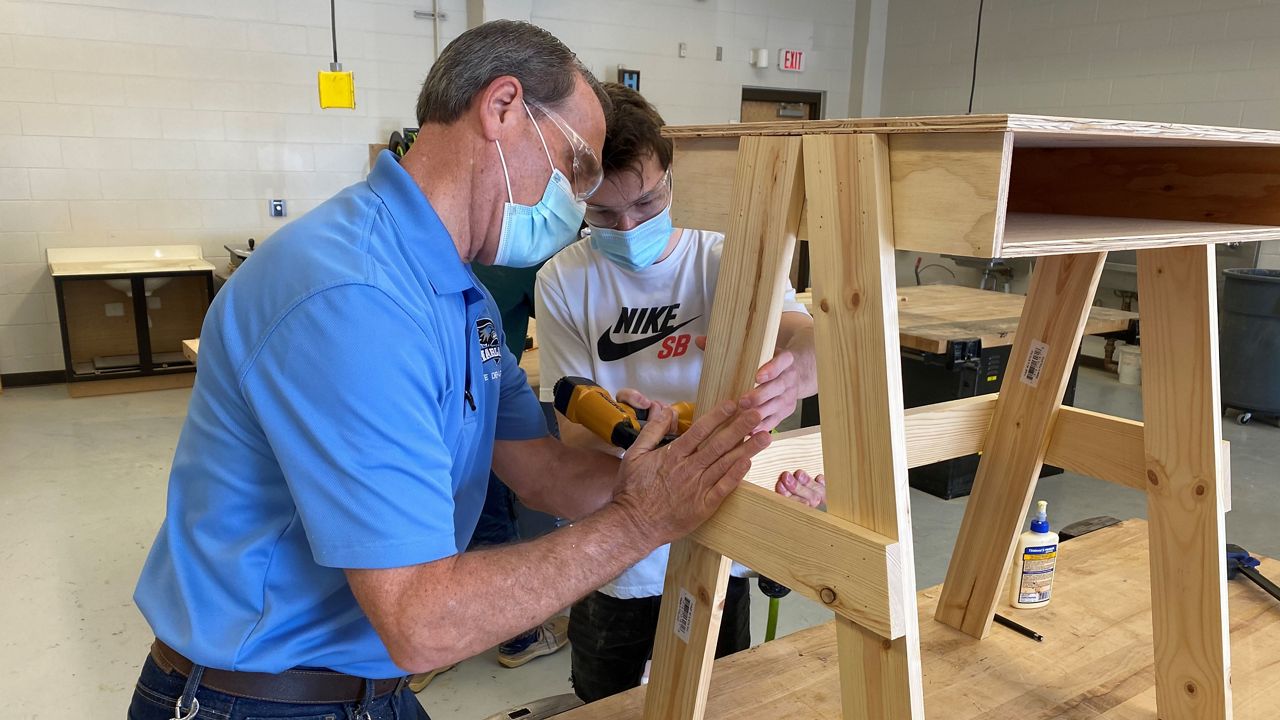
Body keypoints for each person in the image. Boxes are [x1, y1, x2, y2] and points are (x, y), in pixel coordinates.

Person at [128, 22, 774, 720]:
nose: (575, 205)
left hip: (366, 687)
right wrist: (640, 522)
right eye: (574, 166)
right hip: (259, 698)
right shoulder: (355, 296)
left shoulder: (461, 298)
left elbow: (539, 470)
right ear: (501, 108)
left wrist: (682, 473)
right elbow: (421, 620)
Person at [534, 83, 821, 704]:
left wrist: (795, 372)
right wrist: (642, 433)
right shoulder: (563, 279)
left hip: (723, 535)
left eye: (646, 202)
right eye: (605, 215)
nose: (629, 226)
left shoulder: (725, 259)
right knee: (603, 698)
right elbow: (576, 426)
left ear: (670, 176)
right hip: (617, 551)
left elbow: (811, 338)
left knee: (721, 697)